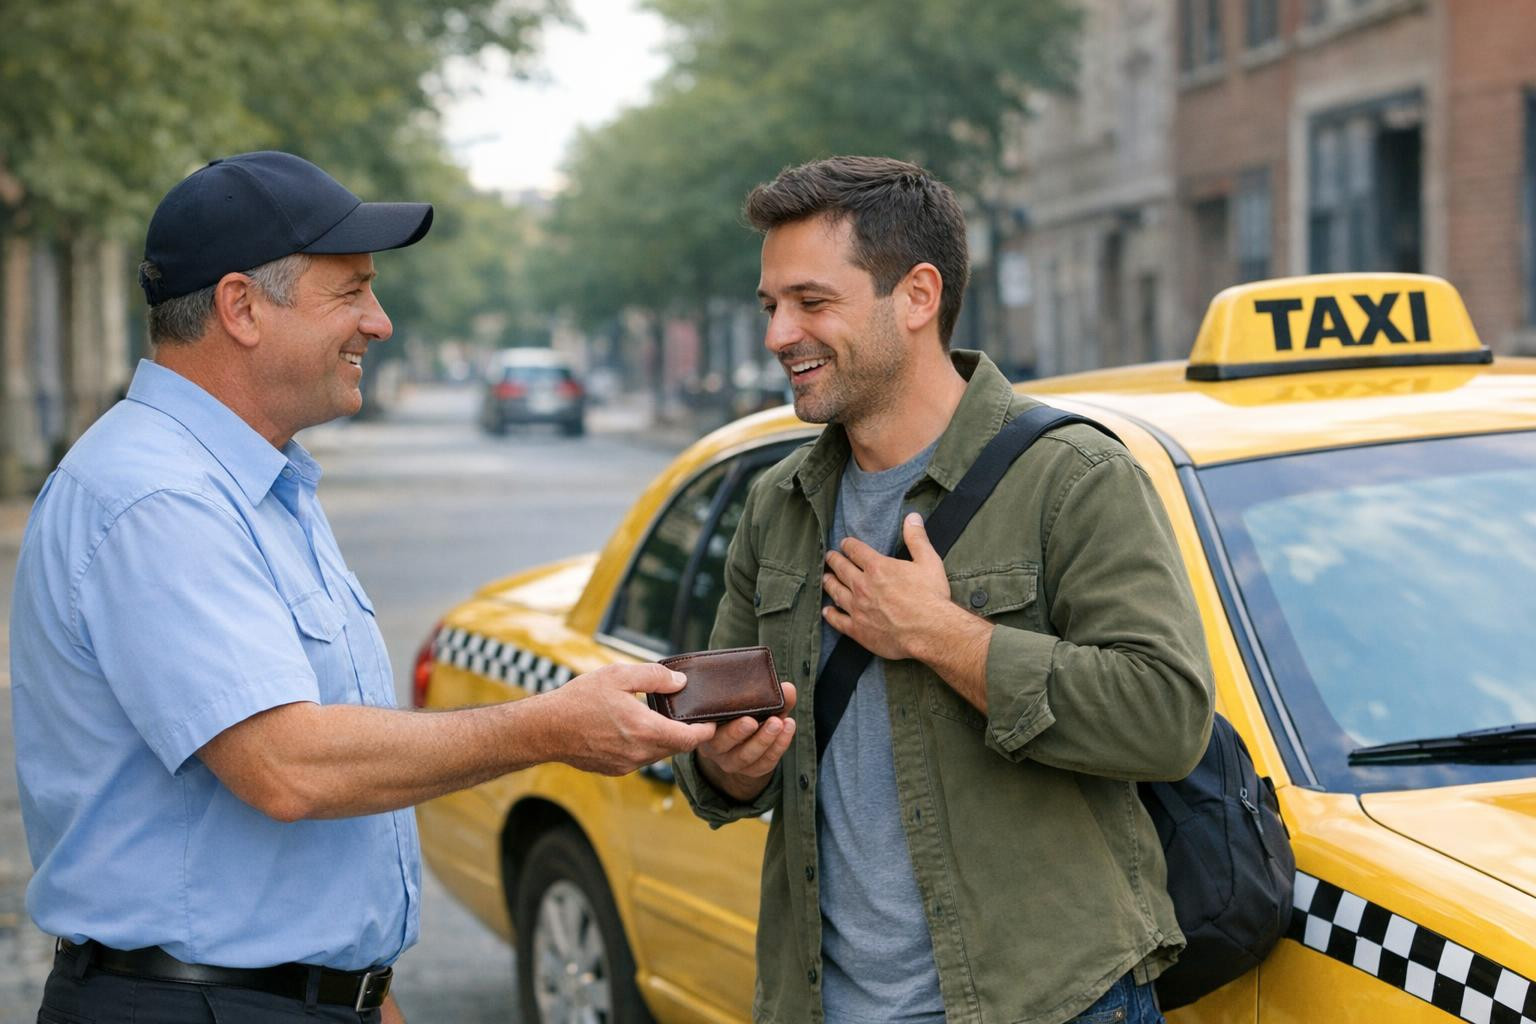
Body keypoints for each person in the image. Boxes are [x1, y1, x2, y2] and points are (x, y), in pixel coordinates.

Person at [9, 151, 715, 1024]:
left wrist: (364, 992)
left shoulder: (252, 481)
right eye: (350, 292)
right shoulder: (158, 496)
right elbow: (286, 765)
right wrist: (552, 727)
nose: (378, 324)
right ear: (241, 307)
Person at [674, 156, 1215, 1024]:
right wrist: (723, 766)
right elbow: (718, 749)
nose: (779, 334)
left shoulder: (1075, 477)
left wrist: (941, 633)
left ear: (918, 296)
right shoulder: (779, 505)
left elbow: (1167, 716)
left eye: (811, 302)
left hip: (1051, 1004)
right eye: (771, 306)